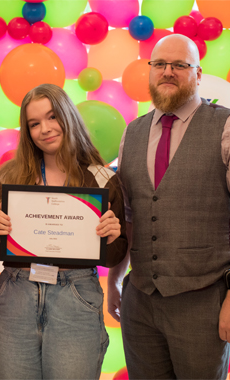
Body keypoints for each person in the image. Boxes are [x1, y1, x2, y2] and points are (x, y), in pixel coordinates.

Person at [0, 83, 127, 379]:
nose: (45, 129)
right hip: (16, 296)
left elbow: (114, 256)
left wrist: (112, 236)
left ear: (68, 116)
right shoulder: (11, 176)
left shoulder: (102, 180)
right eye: (34, 124)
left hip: (76, 297)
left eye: (52, 117)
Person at [107, 33, 230, 379]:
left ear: (199, 73)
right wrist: (116, 280)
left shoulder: (226, 126)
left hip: (203, 301)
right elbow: (131, 216)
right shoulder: (132, 133)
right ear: (150, 70)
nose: (168, 72)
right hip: (140, 300)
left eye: (180, 65)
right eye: (160, 64)